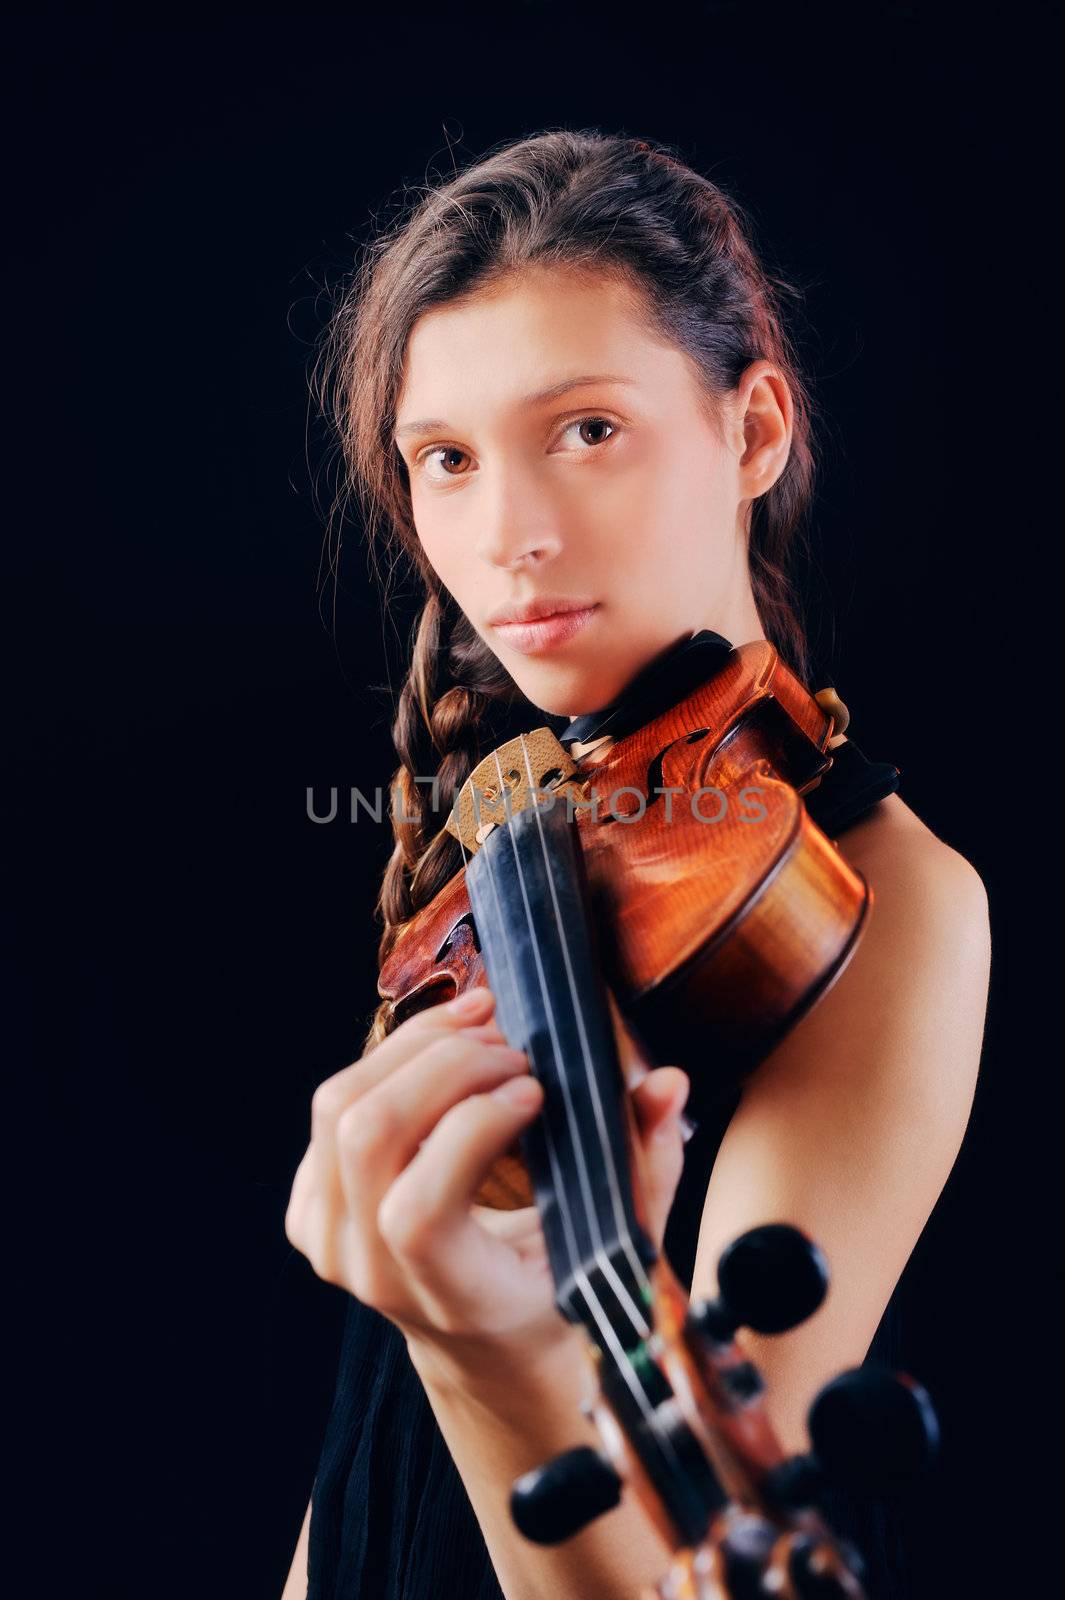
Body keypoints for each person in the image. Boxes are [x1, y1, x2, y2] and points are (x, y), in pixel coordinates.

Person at [280, 129, 991, 1599]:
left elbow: (701, 1562)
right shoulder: (500, 863)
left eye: (586, 430)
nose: (510, 535)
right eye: (448, 461)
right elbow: (364, 1454)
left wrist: (493, 1356)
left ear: (752, 432)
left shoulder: (879, 901)